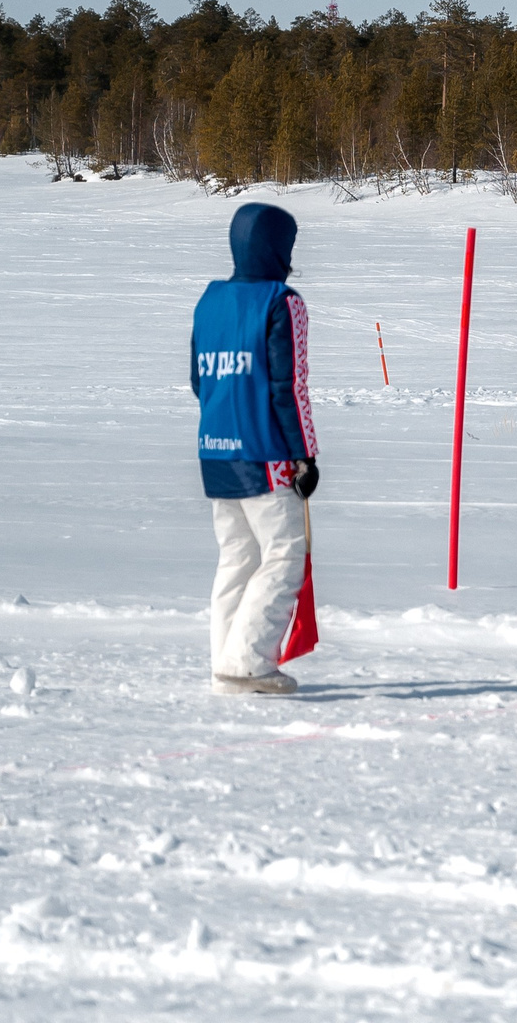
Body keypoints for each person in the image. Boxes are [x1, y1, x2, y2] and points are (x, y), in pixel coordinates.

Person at [190, 203, 320, 696]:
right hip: (267, 454)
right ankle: (248, 662)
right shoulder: (281, 302)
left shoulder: (210, 301)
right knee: (284, 556)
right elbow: (290, 388)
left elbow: (199, 380)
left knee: (237, 559)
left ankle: (225, 660)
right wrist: (305, 454)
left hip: (215, 450)